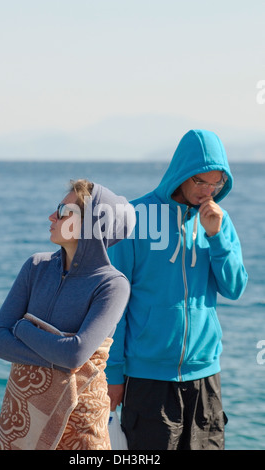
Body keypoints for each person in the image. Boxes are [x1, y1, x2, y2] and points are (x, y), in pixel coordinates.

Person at [106, 129, 248, 450]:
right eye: (201, 182)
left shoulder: (218, 221)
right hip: (147, 379)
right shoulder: (133, 217)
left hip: (205, 375)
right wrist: (113, 374)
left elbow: (234, 287)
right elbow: (114, 304)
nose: (209, 191)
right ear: (181, 173)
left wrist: (217, 237)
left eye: (218, 183)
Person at [0, 179, 136, 450]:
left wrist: (22, 329)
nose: (52, 216)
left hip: (81, 422)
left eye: (64, 211)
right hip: (22, 418)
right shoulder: (36, 266)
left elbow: (74, 355)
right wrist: (60, 356)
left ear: (92, 223)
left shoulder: (112, 285)